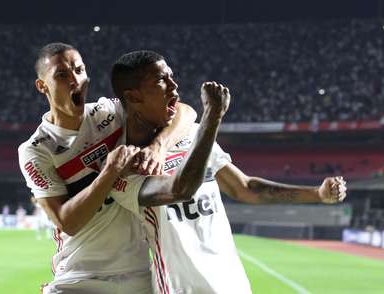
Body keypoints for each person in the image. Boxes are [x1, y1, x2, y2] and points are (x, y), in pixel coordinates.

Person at [108, 50, 348, 294]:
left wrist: (317, 194)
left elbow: (244, 188)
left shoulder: (192, 135)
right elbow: (180, 190)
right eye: (161, 80)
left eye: (171, 76)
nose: (173, 84)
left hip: (233, 285)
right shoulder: (122, 165)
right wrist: (212, 118)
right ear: (133, 96)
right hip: (181, 288)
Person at [18, 42, 196, 293]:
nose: (74, 80)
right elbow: (66, 221)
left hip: (138, 277)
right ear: (42, 85)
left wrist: (159, 146)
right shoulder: (36, 149)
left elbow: (184, 111)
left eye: (79, 70)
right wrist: (110, 171)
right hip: (78, 278)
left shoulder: (109, 112)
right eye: (61, 75)